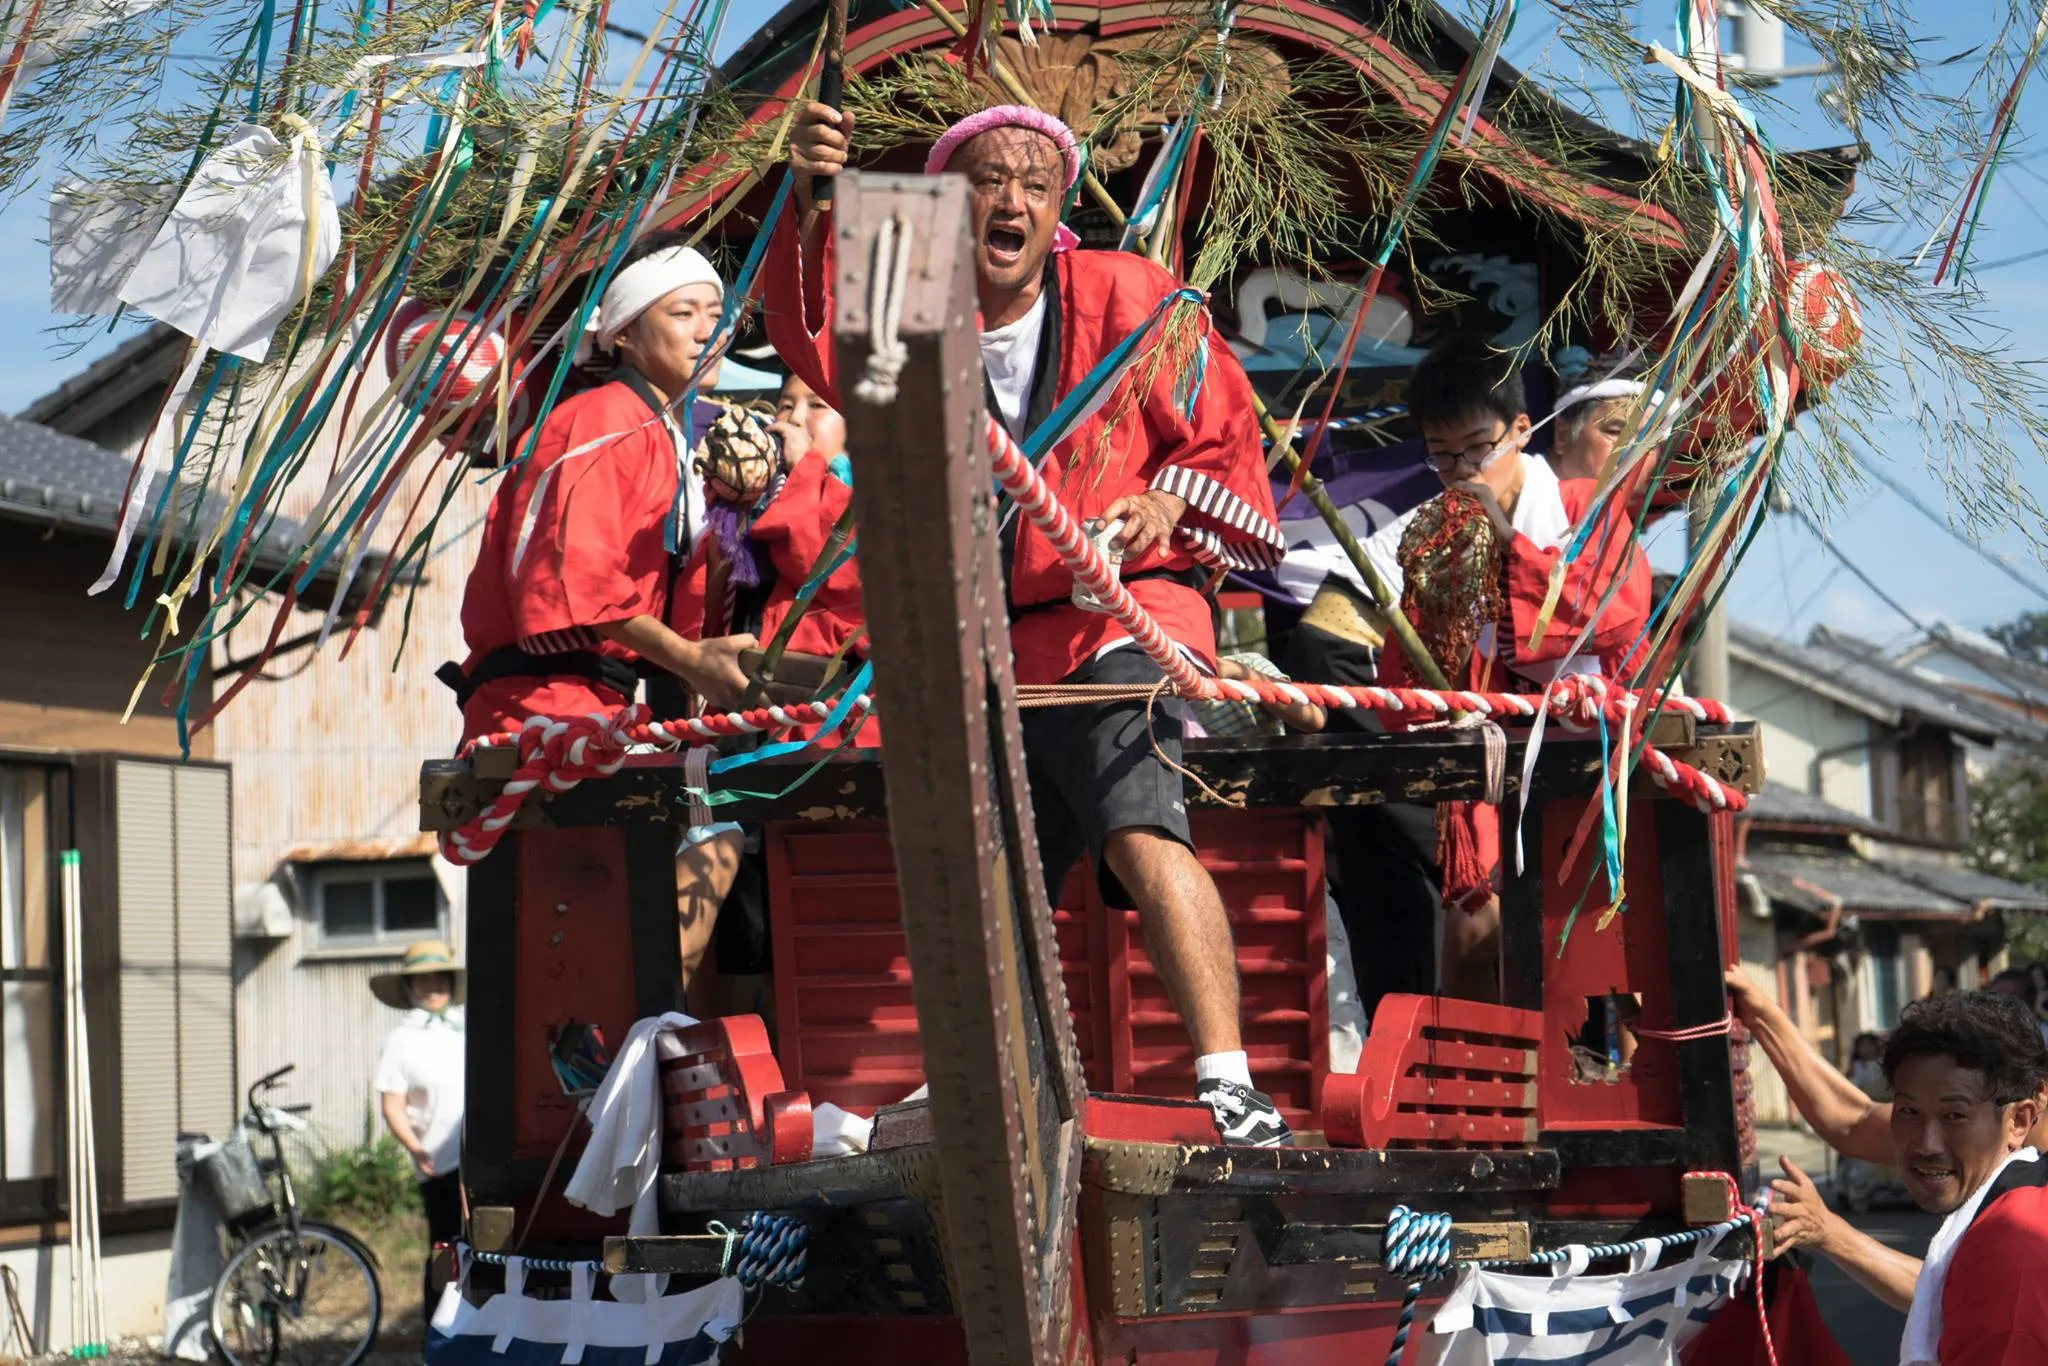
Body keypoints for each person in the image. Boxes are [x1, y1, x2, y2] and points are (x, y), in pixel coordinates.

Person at [774, 101, 1294, 1145]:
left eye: (1032, 182)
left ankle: (1229, 1080)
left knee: (1139, 820)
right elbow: (814, 338)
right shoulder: (911, 307)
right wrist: (806, 198)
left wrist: (1164, 504)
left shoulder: (1133, 296)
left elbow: (1224, 441)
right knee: (981, 878)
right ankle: (975, 1085)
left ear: (1058, 207)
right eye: (984, 180)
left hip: (1123, 610)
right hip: (987, 640)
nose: (1008, 199)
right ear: (943, 202)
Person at [445, 232, 758, 988]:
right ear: (622, 331)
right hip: (544, 705)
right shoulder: (597, 421)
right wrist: (691, 662)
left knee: (723, 837)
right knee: (695, 856)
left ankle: (661, 1015)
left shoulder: (668, 436)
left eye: (716, 314)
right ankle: (651, 1017)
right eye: (683, 312)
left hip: (602, 705)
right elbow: (575, 584)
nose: (706, 330)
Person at [1363, 338, 1652, 999]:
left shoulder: (1579, 507)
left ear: (1522, 429)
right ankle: (1474, 1095)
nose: (1462, 469)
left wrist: (1506, 543)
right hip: (1485, 765)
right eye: (1441, 455)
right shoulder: (1434, 536)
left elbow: (1612, 610)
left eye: (1476, 448)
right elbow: (1404, 678)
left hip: (1583, 762)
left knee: (1604, 966)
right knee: (1472, 937)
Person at [1761, 992, 2048, 1365]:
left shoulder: (2015, 1240)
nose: (1927, 1144)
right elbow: (1945, 1292)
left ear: (2022, 1118)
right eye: (1908, 1111)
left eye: (1954, 1116)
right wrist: (1827, 1232)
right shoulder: (2012, 1201)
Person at [370, 940, 466, 1317]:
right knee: (444, 1247)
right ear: (410, 988)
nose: (433, 987)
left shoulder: (466, 1029)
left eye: (439, 978)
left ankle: (479, 1332)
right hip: (437, 1160)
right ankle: (438, 1330)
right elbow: (392, 1105)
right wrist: (415, 1147)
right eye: (423, 980)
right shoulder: (401, 1040)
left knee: (489, 1249)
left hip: (478, 1157)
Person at [1838, 1031, 1892, 1214]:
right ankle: (1855, 1197)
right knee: (1856, 1160)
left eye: (1869, 1045)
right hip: (1860, 1116)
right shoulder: (1855, 1068)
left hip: (1882, 1113)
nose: (1866, 1049)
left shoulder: (1884, 1066)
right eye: (1862, 1046)